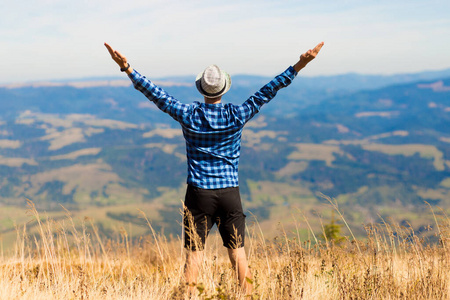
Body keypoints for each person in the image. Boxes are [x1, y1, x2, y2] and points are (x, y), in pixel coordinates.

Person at [105, 41, 324, 295]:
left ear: (202, 89)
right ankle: (249, 296)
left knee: (194, 258)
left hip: (198, 194)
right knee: (238, 255)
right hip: (230, 193)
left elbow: (157, 95)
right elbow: (269, 90)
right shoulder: (237, 115)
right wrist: (300, 64)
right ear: (224, 88)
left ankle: (186, 296)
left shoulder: (188, 114)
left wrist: (127, 68)